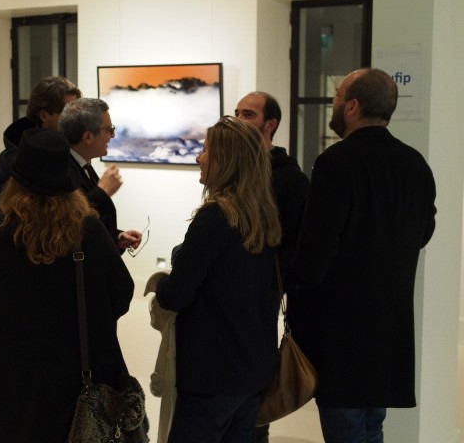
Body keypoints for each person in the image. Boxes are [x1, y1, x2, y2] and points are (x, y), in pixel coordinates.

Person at [286, 68, 437, 442]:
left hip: (342, 329)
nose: (333, 102)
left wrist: (295, 285)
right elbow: (424, 232)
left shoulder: (336, 162)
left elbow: (316, 250)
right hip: (389, 326)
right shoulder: (415, 164)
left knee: (348, 428)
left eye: (338, 95)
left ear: (352, 106)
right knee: (371, 426)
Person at [0, 129, 135, 442]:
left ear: (15, 182)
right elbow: (121, 294)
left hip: (9, 381)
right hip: (76, 377)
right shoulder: (88, 231)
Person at [148, 116, 282, 442]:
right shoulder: (263, 217)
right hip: (253, 368)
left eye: (206, 150)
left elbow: (177, 294)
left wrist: (160, 286)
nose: (199, 157)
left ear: (225, 160)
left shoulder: (215, 217)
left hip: (212, 374)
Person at [235, 91, 310, 443]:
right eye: (237, 112)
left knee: (254, 373)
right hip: (232, 292)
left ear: (270, 124)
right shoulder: (236, 171)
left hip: (262, 294)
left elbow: (297, 242)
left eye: (248, 114)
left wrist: (276, 282)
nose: (238, 119)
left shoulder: (289, 179)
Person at [0, 75, 81, 220]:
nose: (75, 120)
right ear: (44, 116)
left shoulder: (71, 146)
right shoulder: (13, 158)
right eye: (68, 113)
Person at [58, 97, 142, 252]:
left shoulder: (83, 165)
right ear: (88, 137)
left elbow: (94, 221)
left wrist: (116, 237)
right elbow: (68, 225)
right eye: (109, 129)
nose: (113, 135)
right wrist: (102, 192)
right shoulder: (61, 170)